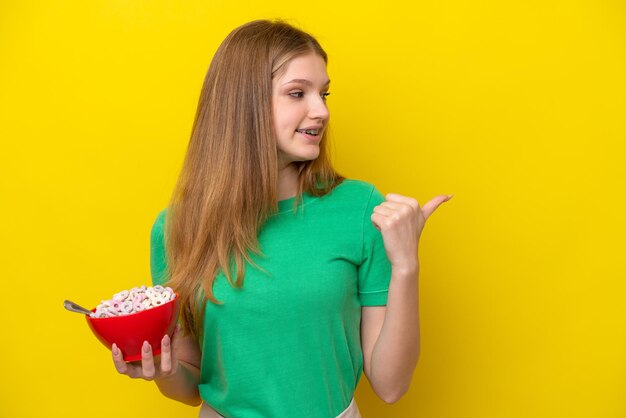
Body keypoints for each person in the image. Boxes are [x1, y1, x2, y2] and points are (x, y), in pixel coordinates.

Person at [110, 19, 452, 418]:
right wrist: (162, 373)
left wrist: (406, 264)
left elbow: (391, 385)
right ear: (244, 104)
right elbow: (191, 382)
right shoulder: (177, 229)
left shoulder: (361, 210)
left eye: (323, 93)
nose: (321, 110)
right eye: (297, 93)